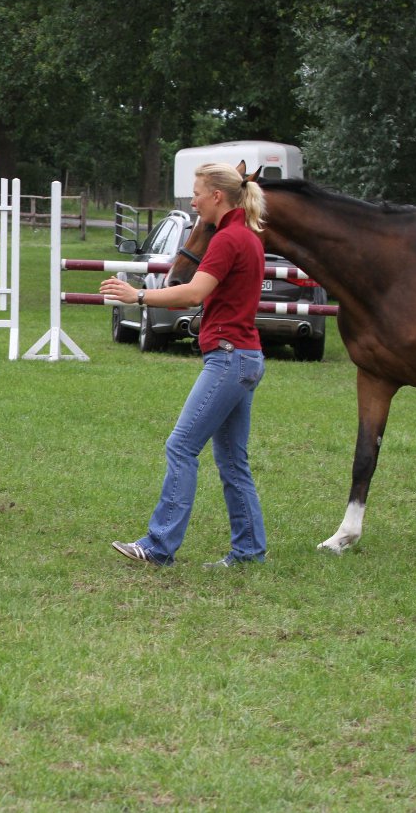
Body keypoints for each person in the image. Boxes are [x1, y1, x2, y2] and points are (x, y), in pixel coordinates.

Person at [99, 162, 268, 567]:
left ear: (216, 196)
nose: (192, 201)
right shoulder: (247, 236)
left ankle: (158, 547)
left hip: (228, 358)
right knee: (232, 462)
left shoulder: (228, 239)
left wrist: (136, 296)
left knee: (181, 446)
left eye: (196, 193)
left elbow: (192, 294)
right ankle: (248, 553)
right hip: (244, 357)